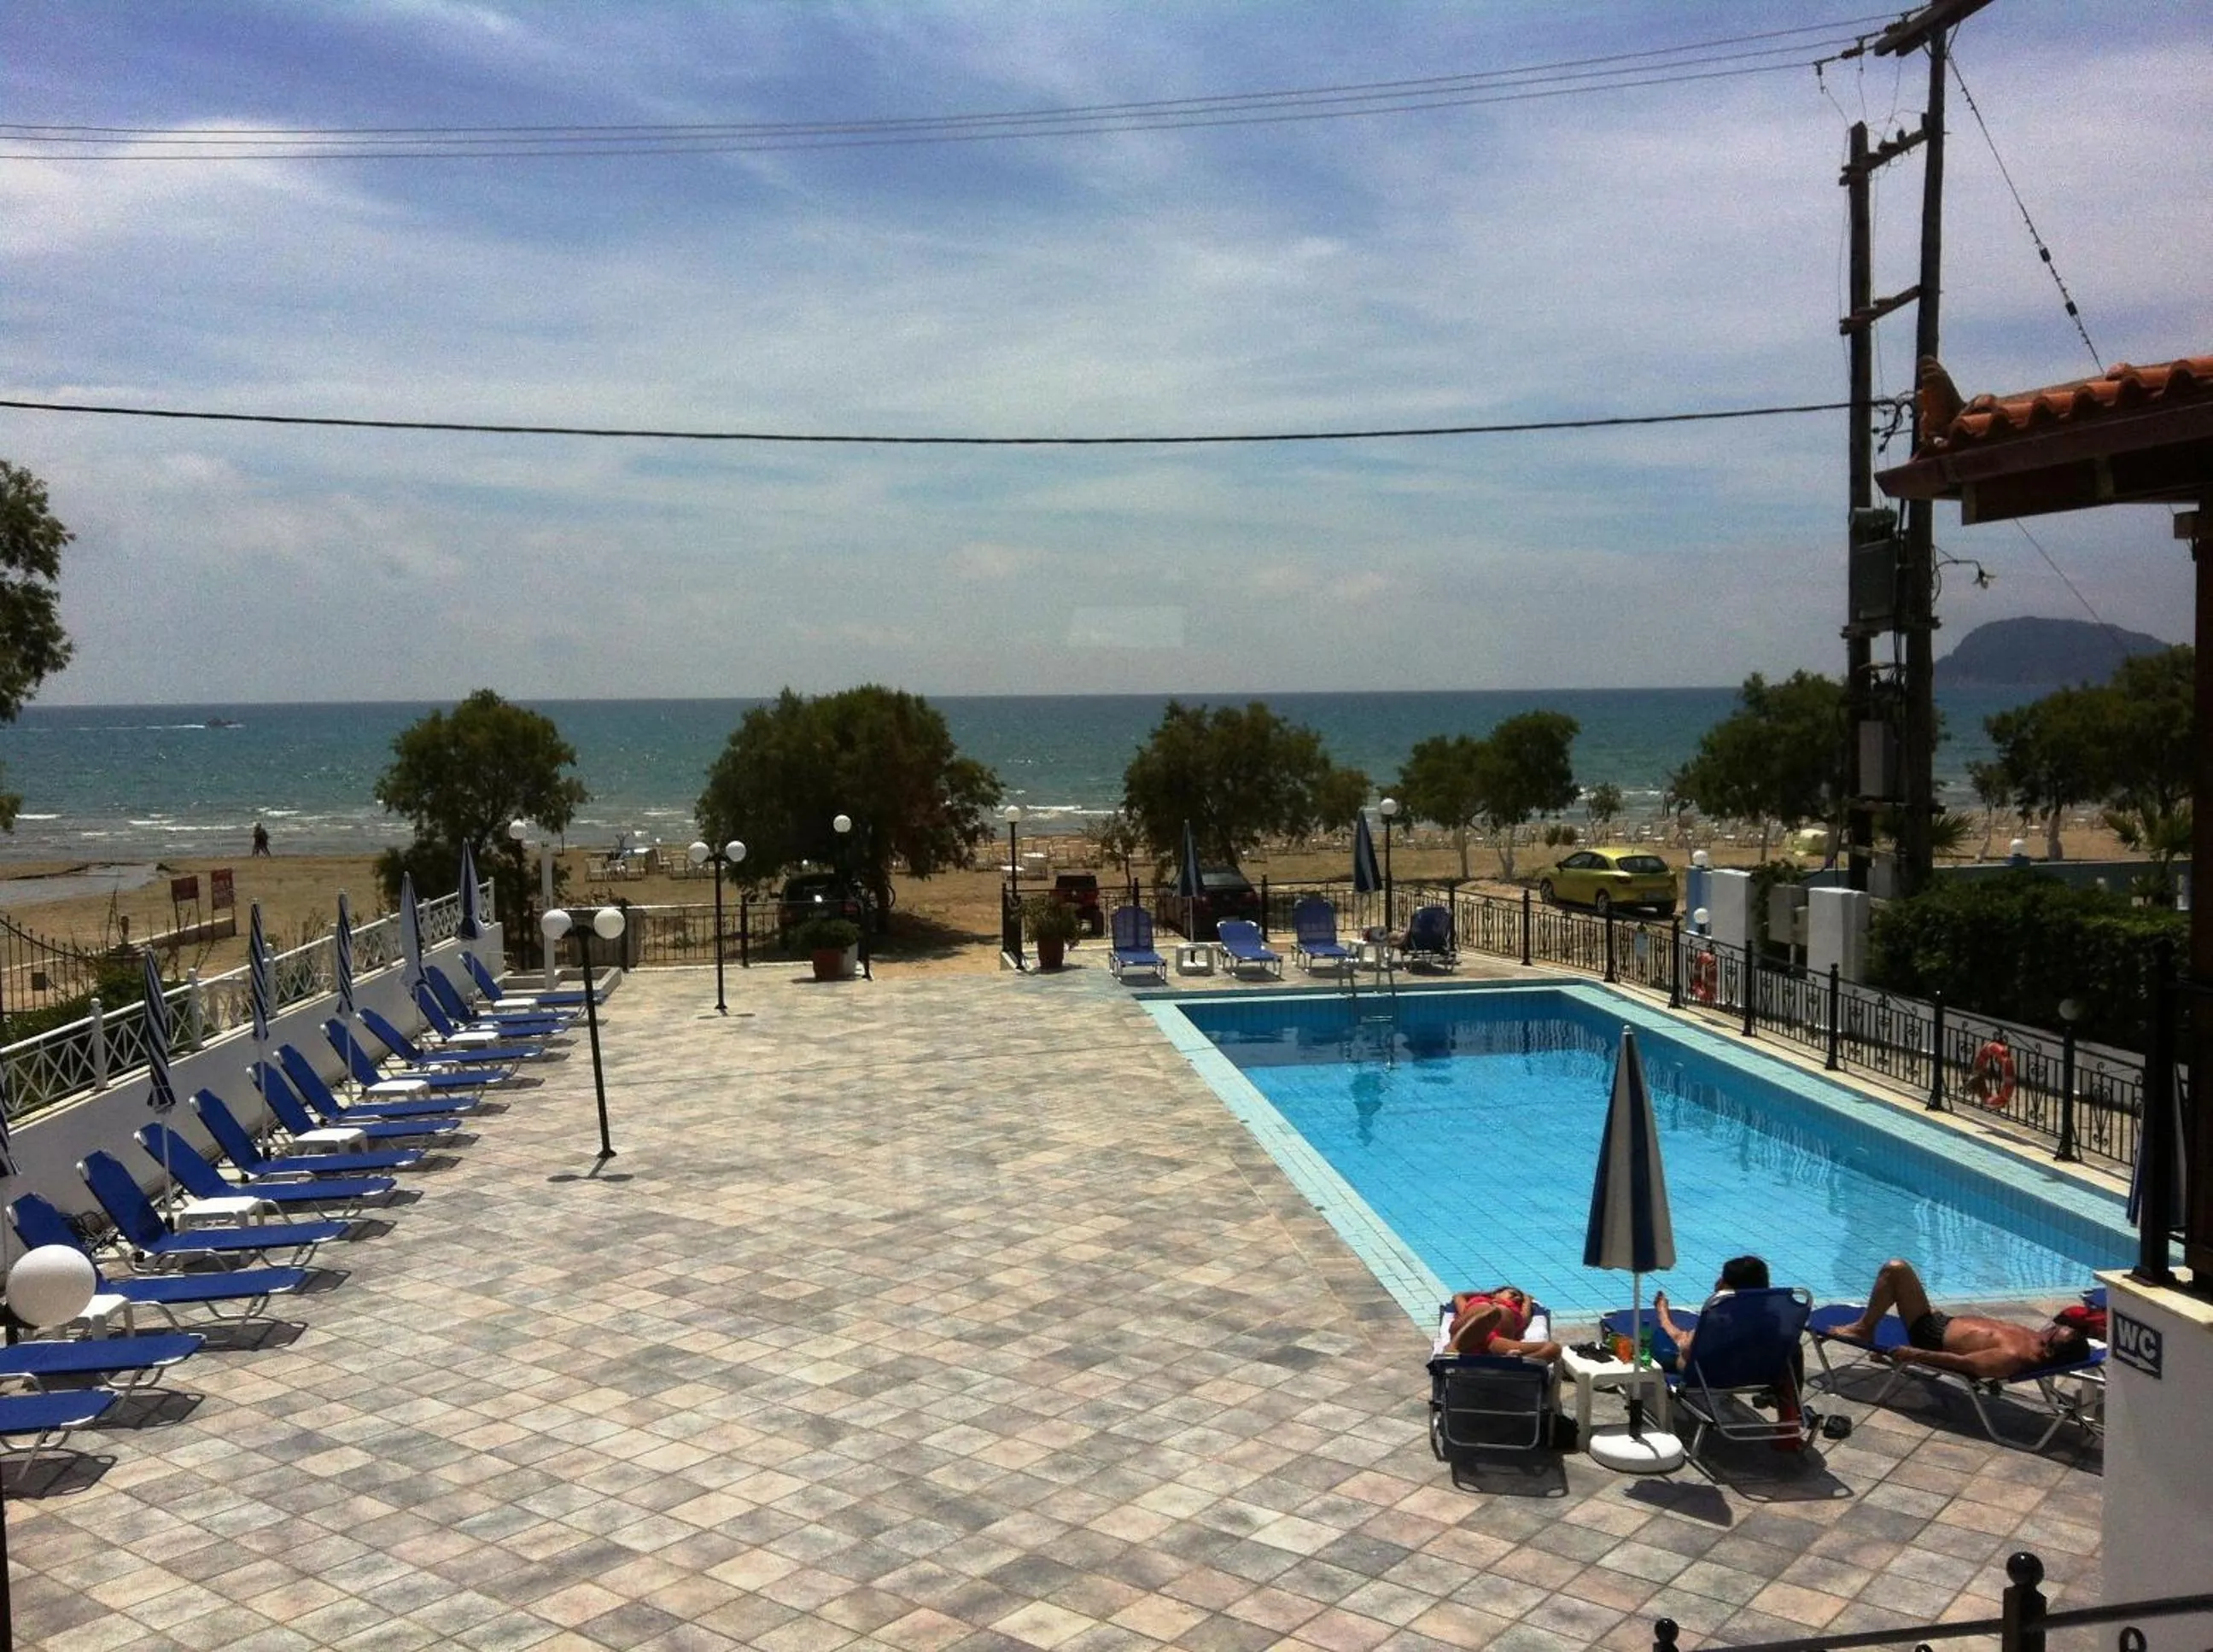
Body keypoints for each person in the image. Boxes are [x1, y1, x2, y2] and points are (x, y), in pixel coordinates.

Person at [1832, 1258, 2094, 1379]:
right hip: (1940, 1321)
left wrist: (1913, 1354)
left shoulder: (2012, 1357)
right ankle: (1870, 1323)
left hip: (1929, 1335)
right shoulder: (2034, 1341)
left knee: (1896, 1270)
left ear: (2049, 1352)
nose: (2050, 1328)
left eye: (2052, 1333)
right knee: (1901, 1283)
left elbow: (1965, 1364)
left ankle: (1864, 1328)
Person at [1653, 1253, 1770, 1369]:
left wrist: (1663, 1314)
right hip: (1759, 1376)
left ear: (1727, 1286)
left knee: (1660, 1338)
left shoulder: (1720, 1318)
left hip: (1715, 1379)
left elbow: (1685, 1349)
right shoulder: (1776, 1316)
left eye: (1723, 1278)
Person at [1445, 1286, 1559, 1363]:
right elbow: (1458, 1296)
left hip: (1494, 1343)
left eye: (1519, 1297)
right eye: (1513, 1294)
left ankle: (1514, 1363)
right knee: (1493, 1313)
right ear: (1496, 1294)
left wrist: (1526, 1299)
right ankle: (1453, 1347)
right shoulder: (1478, 1301)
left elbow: (1527, 1303)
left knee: (1554, 1348)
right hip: (1465, 1335)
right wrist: (1489, 1294)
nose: (1518, 1297)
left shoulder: (1519, 1314)